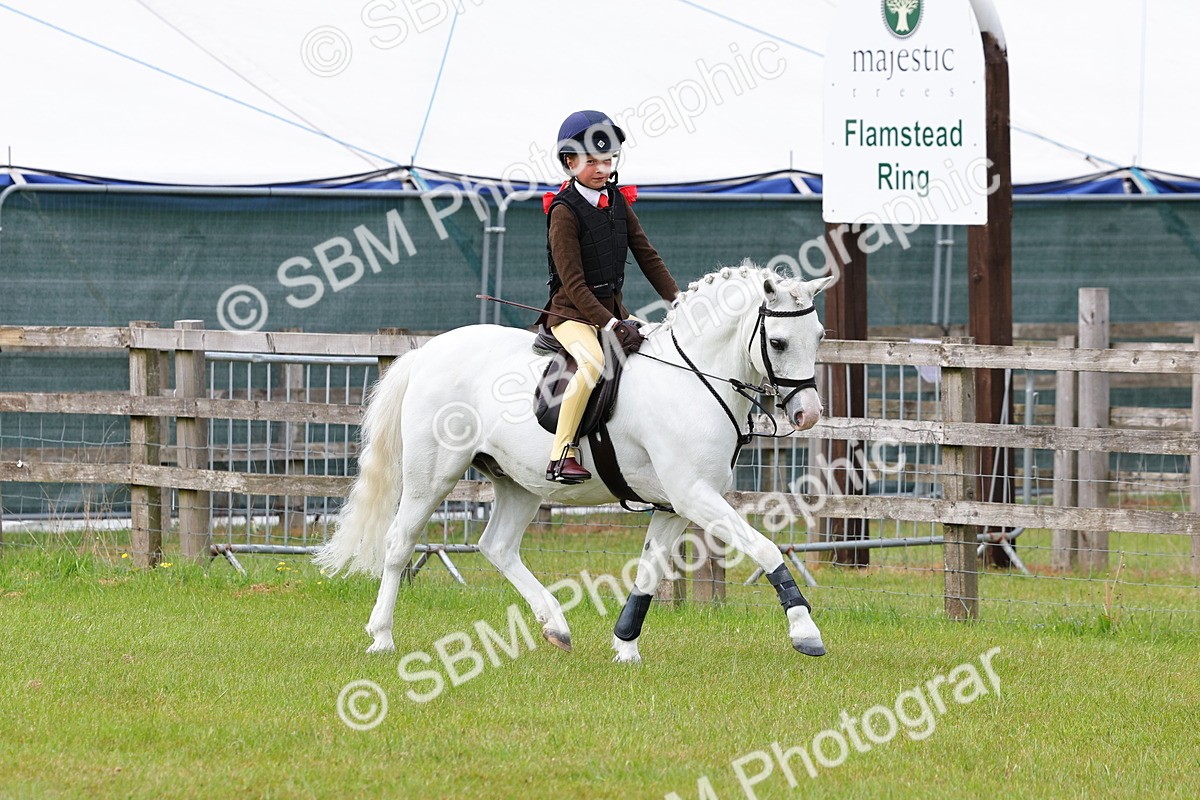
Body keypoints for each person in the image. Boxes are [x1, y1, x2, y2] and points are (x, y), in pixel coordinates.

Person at [538, 110, 680, 484]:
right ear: (570, 162)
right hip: (571, 314)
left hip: (612, 310)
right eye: (592, 162)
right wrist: (612, 323)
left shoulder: (617, 200)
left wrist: (678, 300)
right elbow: (573, 284)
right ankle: (561, 454)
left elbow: (647, 255)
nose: (602, 169)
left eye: (608, 160)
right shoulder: (564, 211)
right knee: (593, 363)